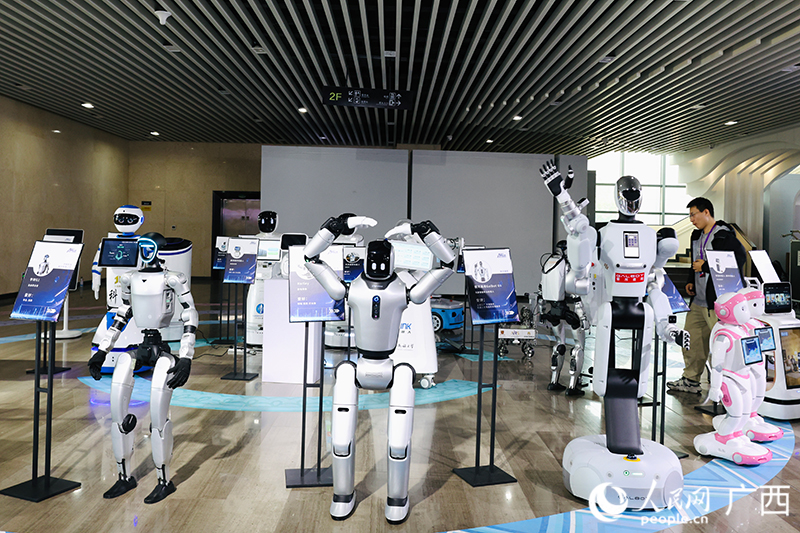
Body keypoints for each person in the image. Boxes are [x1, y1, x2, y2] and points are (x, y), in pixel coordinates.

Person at [667, 197, 746, 394]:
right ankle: (691, 380)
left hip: (716, 302)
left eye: (694, 215)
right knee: (692, 340)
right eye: (690, 216)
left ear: (706, 212)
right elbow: (696, 260)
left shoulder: (723, 235)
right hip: (698, 301)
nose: (691, 219)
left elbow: (738, 259)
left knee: (721, 344)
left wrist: (707, 266)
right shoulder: (697, 235)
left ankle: (726, 386)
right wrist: (690, 280)